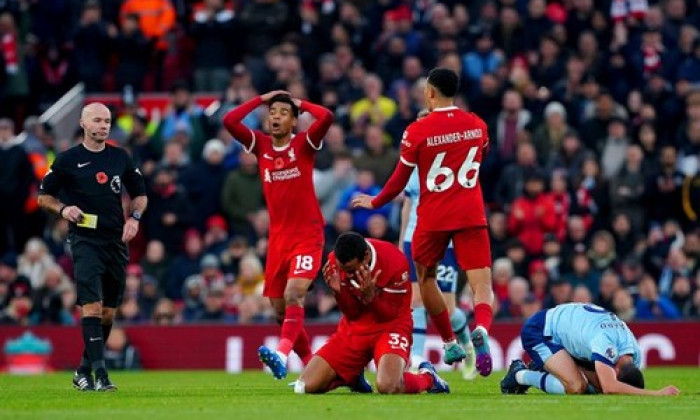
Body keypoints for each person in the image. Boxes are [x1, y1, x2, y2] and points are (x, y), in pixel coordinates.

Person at [352, 67, 494, 376]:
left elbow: (398, 180)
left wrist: (374, 202)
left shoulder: (417, 132)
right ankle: (481, 327)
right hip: (470, 214)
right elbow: (482, 155)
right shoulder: (478, 125)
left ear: (430, 92)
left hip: (432, 219)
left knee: (424, 280)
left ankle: (447, 342)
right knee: (481, 284)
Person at [222, 90, 333, 379]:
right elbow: (230, 120)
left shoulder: (304, 144)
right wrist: (260, 99)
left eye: (283, 113)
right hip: (278, 239)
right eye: (272, 113)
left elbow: (327, 117)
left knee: (295, 293)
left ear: (295, 121)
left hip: (308, 234)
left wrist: (301, 104)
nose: (276, 117)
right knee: (280, 312)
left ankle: (281, 354)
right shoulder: (260, 146)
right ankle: (312, 366)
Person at [37, 103, 147, 391]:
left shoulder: (120, 157)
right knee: (92, 305)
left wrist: (134, 219)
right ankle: (102, 376)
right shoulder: (67, 160)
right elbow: (43, 197)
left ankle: (83, 370)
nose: (104, 125)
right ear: (84, 124)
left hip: (115, 240)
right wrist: (63, 210)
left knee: (109, 312)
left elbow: (140, 194)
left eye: (107, 121)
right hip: (85, 239)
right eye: (97, 120)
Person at [295, 232, 449, 394]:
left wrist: (371, 299)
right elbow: (352, 314)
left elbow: (390, 315)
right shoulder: (336, 262)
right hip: (356, 328)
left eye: (350, 270)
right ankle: (353, 376)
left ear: (366, 256)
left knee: (388, 386)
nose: (347, 274)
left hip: (391, 327)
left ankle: (429, 378)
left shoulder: (394, 261)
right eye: (343, 270)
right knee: (306, 386)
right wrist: (340, 294)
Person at [400, 146, 476, 380]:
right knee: (416, 301)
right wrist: (401, 239)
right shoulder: (410, 165)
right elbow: (408, 204)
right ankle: (416, 361)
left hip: (443, 242)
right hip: (413, 239)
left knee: (447, 308)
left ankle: (467, 344)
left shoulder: (450, 165)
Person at [501, 303, 680, 396]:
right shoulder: (606, 344)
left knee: (594, 389)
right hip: (542, 330)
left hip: (570, 330)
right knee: (576, 386)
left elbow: (610, 384)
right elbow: (610, 387)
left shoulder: (634, 353)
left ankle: (547, 368)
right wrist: (656, 394)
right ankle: (520, 374)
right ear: (615, 370)